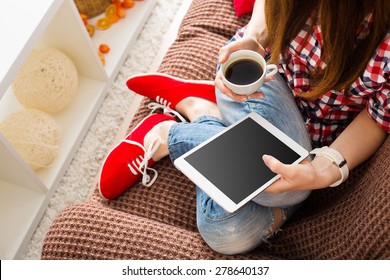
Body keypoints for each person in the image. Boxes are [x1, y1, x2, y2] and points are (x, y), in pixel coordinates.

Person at [99, 0, 389, 255]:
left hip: (316, 133)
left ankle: (201, 114)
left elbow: (377, 118)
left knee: (225, 229)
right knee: (289, 192)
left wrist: (324, 169)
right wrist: (253, 38)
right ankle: (169, 135)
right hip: (259, 85)